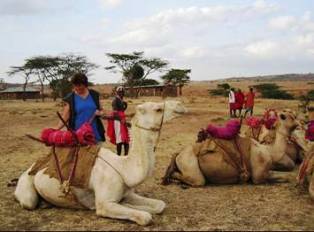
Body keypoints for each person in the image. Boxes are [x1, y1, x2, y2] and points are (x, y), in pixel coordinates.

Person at [57, 73, 105, 143]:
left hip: (95, 134)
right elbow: (65, 116)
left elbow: (102, 110)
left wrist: (100, 113)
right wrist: (57, 128)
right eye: (75, 85)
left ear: (85, 84)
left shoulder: (94, 95)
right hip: (77, 136)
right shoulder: (71, 98)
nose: (77, 88)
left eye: (79, 85)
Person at [107, 86, 130, 156]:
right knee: (119, 138)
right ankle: (118, 155)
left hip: (122, 119)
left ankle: (126, 155)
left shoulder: (121, 100)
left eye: (122, 92)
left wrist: (125, 105)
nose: (121, 93)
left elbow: (122, 110)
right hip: (117, 120)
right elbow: (115, 113)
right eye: (120, 92)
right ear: (117, 93)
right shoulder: (115, 100)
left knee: (126, 138)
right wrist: (121, 120)